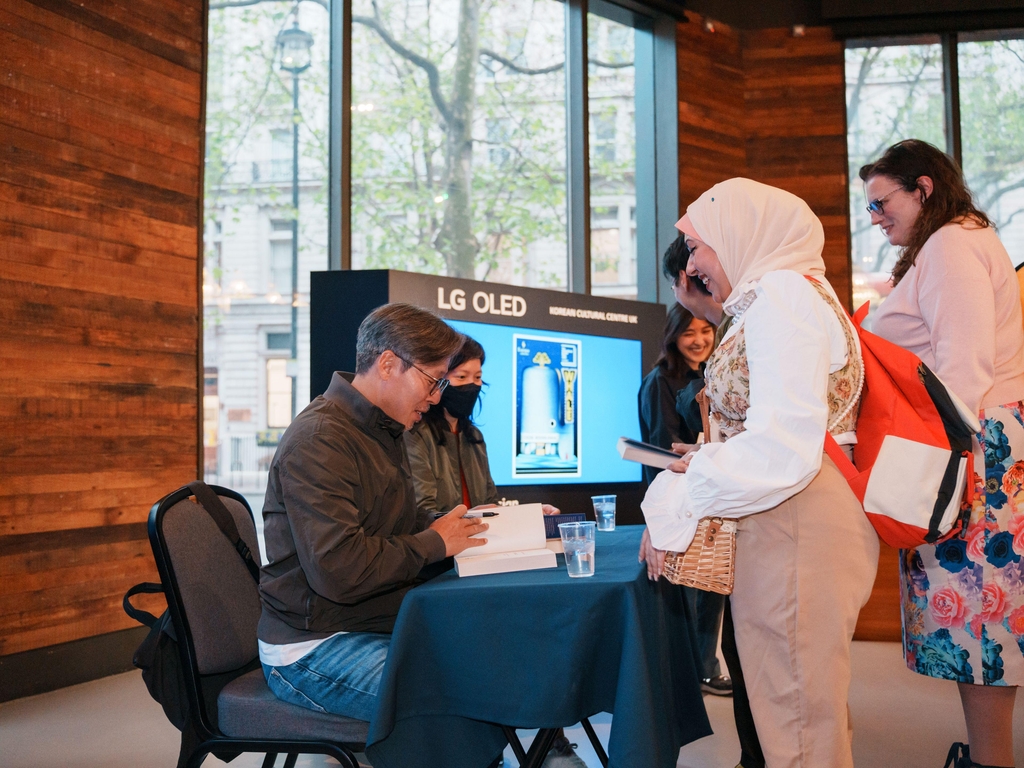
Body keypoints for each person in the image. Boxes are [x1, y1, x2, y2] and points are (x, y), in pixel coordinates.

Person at [639, 178, 879, 768]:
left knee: (796, 724)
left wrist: (681, 499)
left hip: (795, 517)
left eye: (697, 246)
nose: (692, 265)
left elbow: (780, 448)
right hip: (793, 514)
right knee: (799, 716)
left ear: (738, 232)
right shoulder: (788, 294)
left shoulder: (781, 296)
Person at [861, 140, 1024, 768]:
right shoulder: (948, 242)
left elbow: (963, 367)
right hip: (973, 438)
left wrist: (938, 463)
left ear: (923, 188)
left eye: (882, 203)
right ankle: (988, 755)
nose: (876, 217)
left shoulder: (953, 244)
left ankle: (992, 761)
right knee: (977, 621)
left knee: (982, 619)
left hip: (972, 444)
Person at [257, 303, 490, 722]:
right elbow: (339, 569)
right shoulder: (320, 439)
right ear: (387, 364)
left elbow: (390, 523)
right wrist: (435, 542)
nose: (437, 397)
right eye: (433, 381)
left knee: (495, 656)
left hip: (364, 620)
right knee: (457, 695)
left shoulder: (380, 427)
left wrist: (458, 526)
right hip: (312, 644)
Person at [404, 335, 575, 768]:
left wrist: (526, 514)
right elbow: (425, 509)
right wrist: (481, 514)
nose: (471, 385)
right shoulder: (417, 434)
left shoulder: (474, 436)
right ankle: (503, 737)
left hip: (481, 551)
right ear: (440, 380)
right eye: (460, 377)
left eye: (478, 377)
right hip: (442, 564)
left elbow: (490, 500)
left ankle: (546, 726)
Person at [660, 233, 765, 768]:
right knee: (733, 639)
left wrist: (707, 458)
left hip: (750, 509)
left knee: (754, 650)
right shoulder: (738, 329)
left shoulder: (759, 317)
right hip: (709, 503)